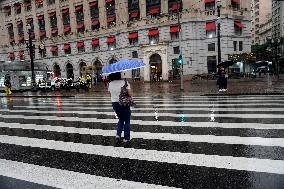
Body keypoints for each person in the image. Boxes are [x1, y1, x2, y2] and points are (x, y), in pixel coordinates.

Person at [108, 72, 133, 144]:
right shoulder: (125, 82)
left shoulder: (110, 83)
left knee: (121, 119)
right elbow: (130, 94)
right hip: (124, 103)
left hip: (115, 104)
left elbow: (110, 94)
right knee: (127, 120)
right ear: (119, 75)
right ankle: (126, 138)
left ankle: (118, 136)